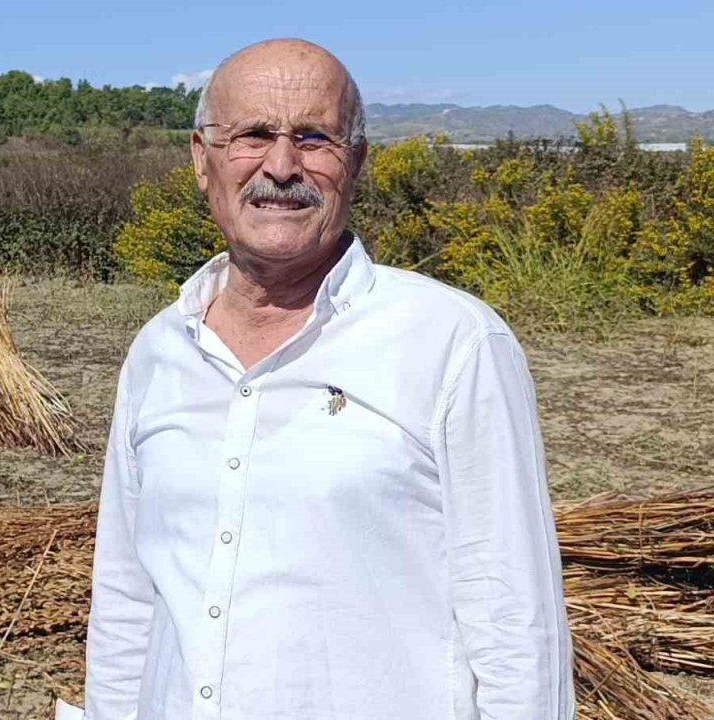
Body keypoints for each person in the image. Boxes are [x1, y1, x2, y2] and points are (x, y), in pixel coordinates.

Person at [63, 39, 575, 719]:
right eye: (252, 135)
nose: (281, 167)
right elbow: (128, 594)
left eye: (314, 138)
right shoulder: (160, 350)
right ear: (202, 159)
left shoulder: (452, 341)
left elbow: (515, 616)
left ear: (355, 162)